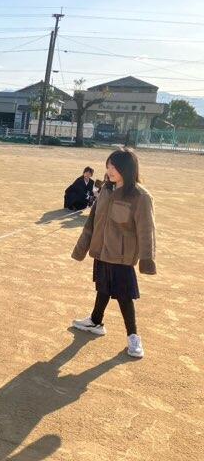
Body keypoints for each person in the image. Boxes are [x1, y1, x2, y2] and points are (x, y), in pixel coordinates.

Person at [71, 148, 156, 358]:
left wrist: (147, 259)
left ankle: (133, 337)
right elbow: (92, 222)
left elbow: (146, 230)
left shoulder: (140, 196)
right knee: (103, 287)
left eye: (114, 167)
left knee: (124, 296)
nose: (109, 171)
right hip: (101, 251)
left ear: (127, 169)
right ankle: (95, 321)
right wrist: (81, 248)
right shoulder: (105, 191)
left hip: (121, 256)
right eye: (108, 166)